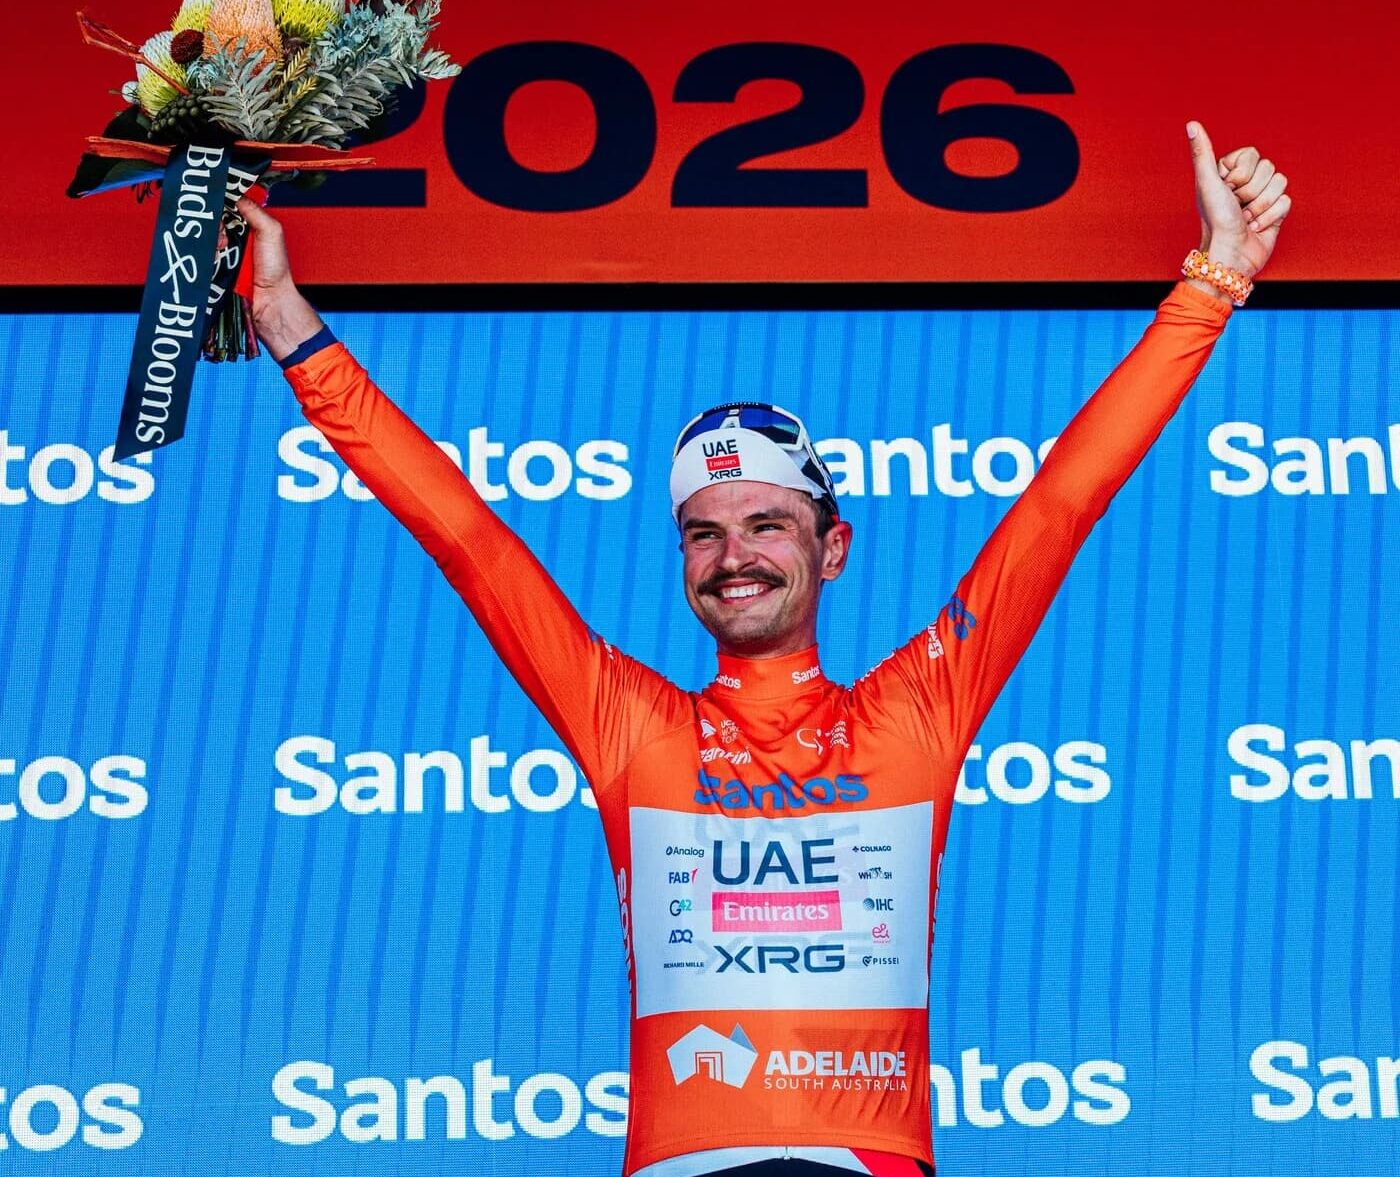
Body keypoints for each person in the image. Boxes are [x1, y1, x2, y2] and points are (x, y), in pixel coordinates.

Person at [237, 121, 1288, 1177]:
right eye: (703, 532)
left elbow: (1062, 502)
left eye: (765, 524)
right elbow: (467, 539)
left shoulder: (915, 711)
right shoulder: (629, 724)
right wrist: (285, 322)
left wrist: (1212, 283)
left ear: (832, 548)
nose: (732, 555)